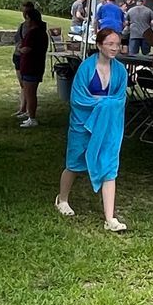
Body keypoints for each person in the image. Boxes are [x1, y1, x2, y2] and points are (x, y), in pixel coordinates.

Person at [58, 26, 129, 231]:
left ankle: (110, 219)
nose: (115, 48)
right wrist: (104, 103)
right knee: (74, 162)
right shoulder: (86, 68)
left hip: (107, 126)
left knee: (109, 165)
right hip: (83, 123)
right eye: (110, 44)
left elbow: (120, 99)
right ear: (99, 45)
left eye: (117, 44)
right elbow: (78, 98)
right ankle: (62, 199)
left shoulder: (120, 70)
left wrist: (103, 103)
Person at [14, 0, 48, 128]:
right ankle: (29, 115)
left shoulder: (34, 33)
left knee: (30, 93)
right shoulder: (40, 32)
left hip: (31, 66)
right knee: (29, 92)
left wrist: (20, 49)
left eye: (27, 18)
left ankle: (32, 117)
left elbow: (27, 49)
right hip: (34, 66)